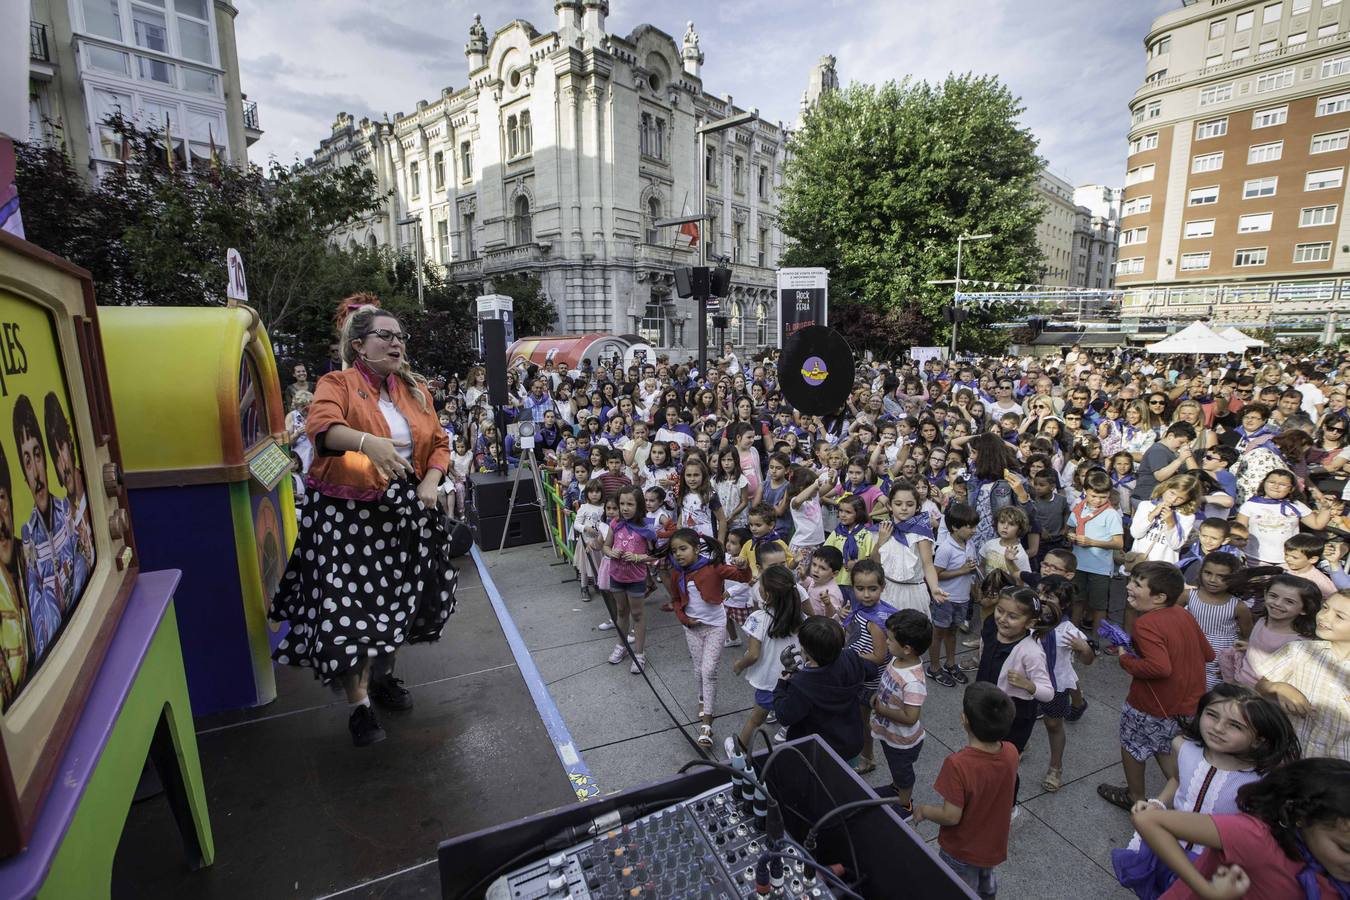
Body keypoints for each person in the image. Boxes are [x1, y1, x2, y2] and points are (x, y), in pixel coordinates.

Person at [271, 303, 457, 747]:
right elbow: (322, 428)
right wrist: (365, 441)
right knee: (349, 616)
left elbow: (440, 444)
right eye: (385, 336)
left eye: (400, 336)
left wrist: (431, 480)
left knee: (392, 607)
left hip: (399, 519)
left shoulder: (414, 391)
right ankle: (359, 706)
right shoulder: (336, 384)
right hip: (343, 520)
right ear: (359, 345)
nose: (397, 343)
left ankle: (382, 678)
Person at [1112, 683, 1302, 899]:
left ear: (1259, 739)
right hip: (1167, 846)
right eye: (1212, 715)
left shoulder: (1263, 779)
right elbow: (1177, 779)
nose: (1218, 728)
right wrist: (1159, 803)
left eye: (1235, 726)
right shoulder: (1183, 747)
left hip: (1213, 864)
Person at [1131, 758, 1350, 898]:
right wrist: (1207, 890)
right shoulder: (1257, 837)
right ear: (1301, 818)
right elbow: (1149, 821)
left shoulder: (1336, 872)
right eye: (1345, 849)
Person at [1098, 562, 1215, 810]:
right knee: (1167, 749)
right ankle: (1189, 801)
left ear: (1160, 597)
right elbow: (1209, 654)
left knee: (1132, 746)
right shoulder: (1183, 614)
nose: (1128, 586)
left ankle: (1136, 798)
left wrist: (1125, 659)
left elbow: (1160, 668)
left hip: (1151, 704)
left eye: (1137, 584)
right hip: (1188, 704)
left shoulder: (1146, 623)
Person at [911, 682, 1020, 900]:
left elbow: (951, 816)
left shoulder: (958, 764)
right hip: (992, 846)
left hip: (961, 850)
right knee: (985, 884)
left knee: (956, 890)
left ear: (964, 720)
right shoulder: (1011, 752)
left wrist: (924, 810)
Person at [666, 528, 751, 746]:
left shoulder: (713, 567)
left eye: (683, 549)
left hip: (715, 626)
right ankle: (703, 700)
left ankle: (707, 725)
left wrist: (744, 566)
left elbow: (743, 578)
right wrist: (684, 619)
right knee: (698, 670)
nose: (678, 554)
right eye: (674, 550)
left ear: (696, 548)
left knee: (709, 670)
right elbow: (675, 600)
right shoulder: (676, 572)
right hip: (692, 629)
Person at [1254, 590, 1350, 760]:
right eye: (1325, 608)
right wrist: (1278, 687)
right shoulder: (1299, 651)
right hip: (1289, 756)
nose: (1324, 617)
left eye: (1339, 617)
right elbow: (1260, 686)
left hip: (1338, 771)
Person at [771, 615, 878, 761]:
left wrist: (781, 685)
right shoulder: (850, 656)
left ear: (803, 649)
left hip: (818, 750)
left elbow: (785, 715)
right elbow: (872, 671)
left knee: (824, 781)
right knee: (845, 777)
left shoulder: (801, 685)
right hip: (851, 741)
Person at [733, 563, 804, 750]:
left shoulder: (758, 618)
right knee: (794, 717)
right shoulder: (800, 617)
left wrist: (739, 665)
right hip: (795, 681)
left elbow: (754, 655)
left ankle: (738, 753)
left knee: (755, 720)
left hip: (769, 683)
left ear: (767, 595)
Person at [870, 609, 932, 817]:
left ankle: (905, 804)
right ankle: (896, 787)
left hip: (902, 741)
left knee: (903, 773)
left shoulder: (913, 681)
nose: (886, 642)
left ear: (907, 648)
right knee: (896, 769)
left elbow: (911, 717)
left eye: (890, 639)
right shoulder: (898, 660)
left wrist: (881, 709)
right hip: (890, 733)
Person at [1227, 574, 1321, 689]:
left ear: (1304, 609)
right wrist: (1251, 647)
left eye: (1289, 602)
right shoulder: (1262, 621)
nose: (1277, 603)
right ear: (1266, 594)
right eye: (1273, 596)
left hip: (1261, 694)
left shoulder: (1299, 643)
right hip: (1239, 681)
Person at [603, 486, 657, 674]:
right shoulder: (615, 523)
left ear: (639, 505)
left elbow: (655, 555)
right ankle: (621, 645)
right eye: (622, 504)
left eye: (630, 504)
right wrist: (611, 552)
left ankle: (639, 653)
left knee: (638, 614)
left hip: (636, 578)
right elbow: (606, 547)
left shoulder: (646, 528)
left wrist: (638, 557)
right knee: (621, 611)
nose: (625, 508)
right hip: (616, 575)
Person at [1066, 468, 1124, 637]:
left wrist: (1092, 542)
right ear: (1085, 492)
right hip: (1079, 564)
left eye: (1103, 497)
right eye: (1094, 496)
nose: (1098, 500)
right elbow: (1070, 527)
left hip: (1100, 568)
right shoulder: (1079, 508)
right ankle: (1073, 634)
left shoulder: (1111, 514)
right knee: (1077, 600)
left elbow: (1118, 543)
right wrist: (1070, 535)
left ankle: (1096, 640)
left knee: (1098, 605)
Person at [1182, 552, 1251, 691]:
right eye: (1208, 573)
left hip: (1220, 660)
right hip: (1190, 651)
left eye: (1221, 576)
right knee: (1186, 688)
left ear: (1234, 578)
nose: (1212, 579)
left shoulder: (1239, 606)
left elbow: (1247, 637)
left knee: (1212, 695)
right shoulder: (1188, 596)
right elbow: (1169, 619)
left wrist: (1235, 662)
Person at [930, 502, 980, 686]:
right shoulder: (946, 548)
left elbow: (971, 572)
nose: (974, 530)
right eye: (970, 527)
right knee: (938, 633)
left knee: (952, 633)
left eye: (975, 526)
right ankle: (934, 667)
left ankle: (950, 664)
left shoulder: (970, 544)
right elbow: (936, 574)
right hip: (946, 598)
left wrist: (975, 592)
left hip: (963, 598)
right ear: (955, 527)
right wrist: (961, 570)